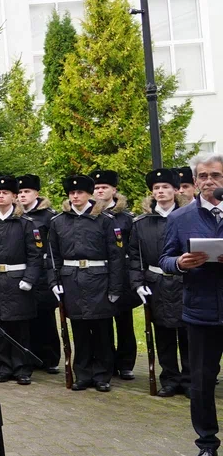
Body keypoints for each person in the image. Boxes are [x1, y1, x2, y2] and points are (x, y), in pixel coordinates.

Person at [159, 152, 223, 456]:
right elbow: (165, 260)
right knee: (201, 382)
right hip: (201, 312)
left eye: (216, 176)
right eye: (203, 176)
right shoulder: (180, 218)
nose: (209, 181)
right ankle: (207, 444)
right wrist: (180, 263)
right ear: (195, 181)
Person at [49, 174, 124, 392]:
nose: (75, 196)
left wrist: (115, 287)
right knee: (79, 330)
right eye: (72, 193)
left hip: (99, 279)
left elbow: (116, 256)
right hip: (71, 280)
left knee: (101, 330)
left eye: (79, 192)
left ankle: (102, 375)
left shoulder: (105, 220)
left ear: (89, 194)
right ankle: (82, 373)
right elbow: (52, 254)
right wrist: (54, 281)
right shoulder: (58, 221)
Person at [0, 176, 42, 385]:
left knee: (20, 326)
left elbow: (35, 254)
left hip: (18, 280)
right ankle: (3, 367)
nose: (1, 196)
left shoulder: (25, 223)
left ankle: (22, 368)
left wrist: (29, 278)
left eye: (5, 193)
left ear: (14, 196)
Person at [131, 169, 189, 396]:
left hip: (185, 282)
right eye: (156, 188)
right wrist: (137, 283)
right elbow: (134, 256)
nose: (160, 191)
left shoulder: (188, 217)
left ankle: (190, 379)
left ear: (176, 190)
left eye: (165, 187)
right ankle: (170, 379)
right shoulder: (142, 223)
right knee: (163, 334)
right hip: (156, 284)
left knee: (187, 335)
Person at [93, 170, 138, 380]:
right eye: (96, 188)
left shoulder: (127, 218)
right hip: (100, 275)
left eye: (104, 187)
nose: (100, 191)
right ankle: (106, 361)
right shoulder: (90, 216)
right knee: (102, 323)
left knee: (124, 321)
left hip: (124, 275)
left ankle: (126, 363)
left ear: (114, 190)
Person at [17, 174, 61, 375]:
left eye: (26, 191)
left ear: (36, 193)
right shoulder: (16, 215)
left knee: (46, 317)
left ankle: (50, 358)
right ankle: (30, 356)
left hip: (43, 272)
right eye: (19, 192)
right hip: (23, 271)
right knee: (26, 317)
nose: (22, 195)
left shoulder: (48, 216)